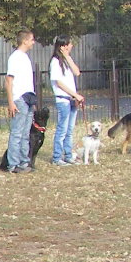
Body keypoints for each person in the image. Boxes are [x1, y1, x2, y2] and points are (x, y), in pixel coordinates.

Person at [48, 36, 85, 166]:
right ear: (62, 46)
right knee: (62, 130)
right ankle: (57, 157)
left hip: (71, 100)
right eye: (69, 44)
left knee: (69, 130)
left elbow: (77, 72)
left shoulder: (66, 61)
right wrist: (75, 94)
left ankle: (68, 155)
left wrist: (68, 57)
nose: (71, 46)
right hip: (63, 100)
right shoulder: (55, 62)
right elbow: (59, 83)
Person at [4, 30, 37, 173]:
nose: (33, 42)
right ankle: (13, 164)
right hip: (19, 99)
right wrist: (11, 102)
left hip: (29, 97)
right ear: (24, 41)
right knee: (17, 133)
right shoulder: (15, 57)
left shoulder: (25, 57)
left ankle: (24, 162)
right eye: (31, 40)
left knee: (25, 133)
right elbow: (8, 81)